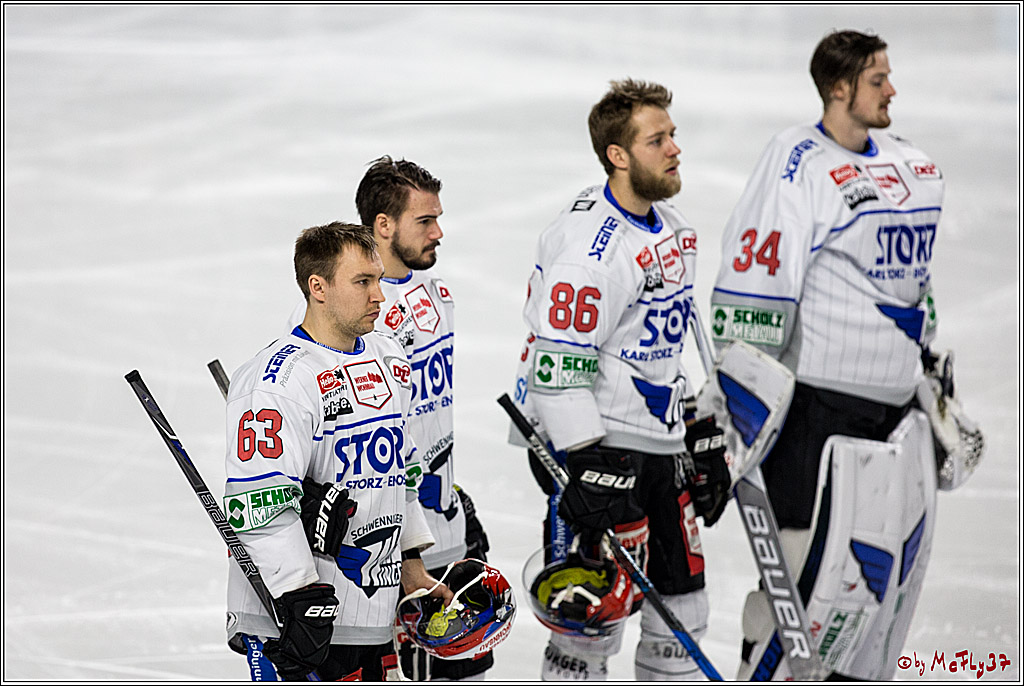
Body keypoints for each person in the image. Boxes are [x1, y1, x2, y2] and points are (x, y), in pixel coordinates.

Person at [711, 30, 976, 679]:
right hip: (813, 414)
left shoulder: (912, 167)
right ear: (839, 89)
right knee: (804, 591)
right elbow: (753, 292)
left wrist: (930, 373)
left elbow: (912, 283)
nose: (891, 90)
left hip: (893, 418)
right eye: (877, 79)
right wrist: (734, 401)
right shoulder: (795, 163)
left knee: (871, 600)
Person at [508, 78, 730, 681]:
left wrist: (702, 430)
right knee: (587, 622)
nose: (674, 148)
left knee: (684, 614)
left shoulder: (675, 230)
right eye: (658, 139)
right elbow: (555, 369)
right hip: (598, 450)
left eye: (673, 136)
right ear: (619, 155)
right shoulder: (591, 248)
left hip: (659, 446)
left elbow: (670, 345)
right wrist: (584, 465)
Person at [223, 222, 452, 681]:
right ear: (318, 287)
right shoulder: (278, 382)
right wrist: (299, 594)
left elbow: (399, 471)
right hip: (296, 620)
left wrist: (410, 561)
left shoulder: (388, 359)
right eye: (363, 282)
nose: (380, 296)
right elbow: (258, 502)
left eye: (378, 279)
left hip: (370, 612)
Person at [353, 155, 495, 681]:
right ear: (383, 226)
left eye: (438, 218)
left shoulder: (436, 292)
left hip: (446, 523)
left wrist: (453, 498)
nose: (439, 232)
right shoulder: (357, 316)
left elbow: (427, 419)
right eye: (425, 221)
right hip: (394, 544)